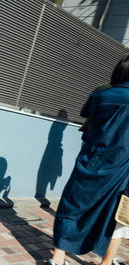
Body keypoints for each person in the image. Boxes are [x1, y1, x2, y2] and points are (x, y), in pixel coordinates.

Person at [47, 54, 129, 265]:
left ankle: (58, 258)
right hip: (121, 168)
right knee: (116, 216)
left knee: (71, 207)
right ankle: (106, 262)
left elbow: (87, 115)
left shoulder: (101, 93)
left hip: (90, 159)